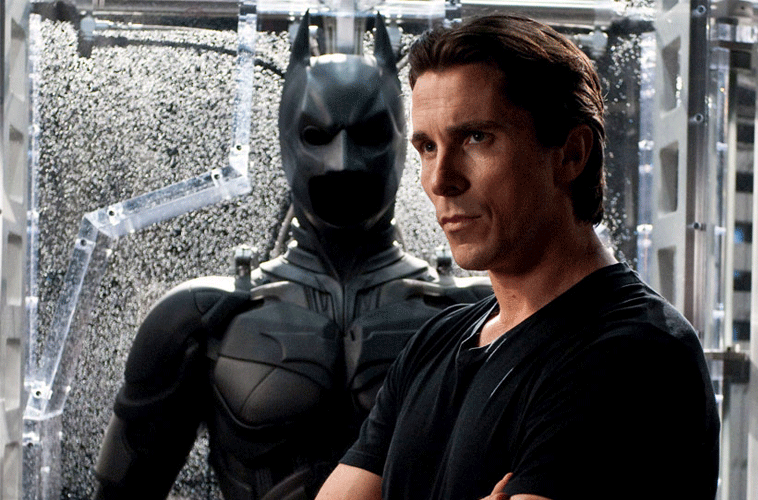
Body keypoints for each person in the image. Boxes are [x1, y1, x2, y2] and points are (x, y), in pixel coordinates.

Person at [315, 14, 720, 500]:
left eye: (476, 138)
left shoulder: (635, 354)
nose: (441, 180)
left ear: (570, 155)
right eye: (427, 147)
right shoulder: (435, 342)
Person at [92, 13, 490, 500]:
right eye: (318, 136)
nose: (342, 162)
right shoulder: (198, 320)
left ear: (406, 146)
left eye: (368, 135)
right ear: (287, 141)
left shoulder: (478, 316)